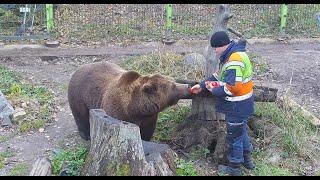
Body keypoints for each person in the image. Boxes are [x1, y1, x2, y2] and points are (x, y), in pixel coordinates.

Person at [190, 31, 255, 176]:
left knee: (234, 138)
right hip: (244, 104)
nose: (215, 51)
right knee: (241, 132)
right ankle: (248, 160)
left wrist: (215, 90)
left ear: (222, 45)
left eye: (215, 48)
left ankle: (234, 169)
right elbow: (219, 75)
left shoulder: (233, 60)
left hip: (236, 106)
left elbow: (233, 87)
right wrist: (202, 85)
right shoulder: (233, 55)